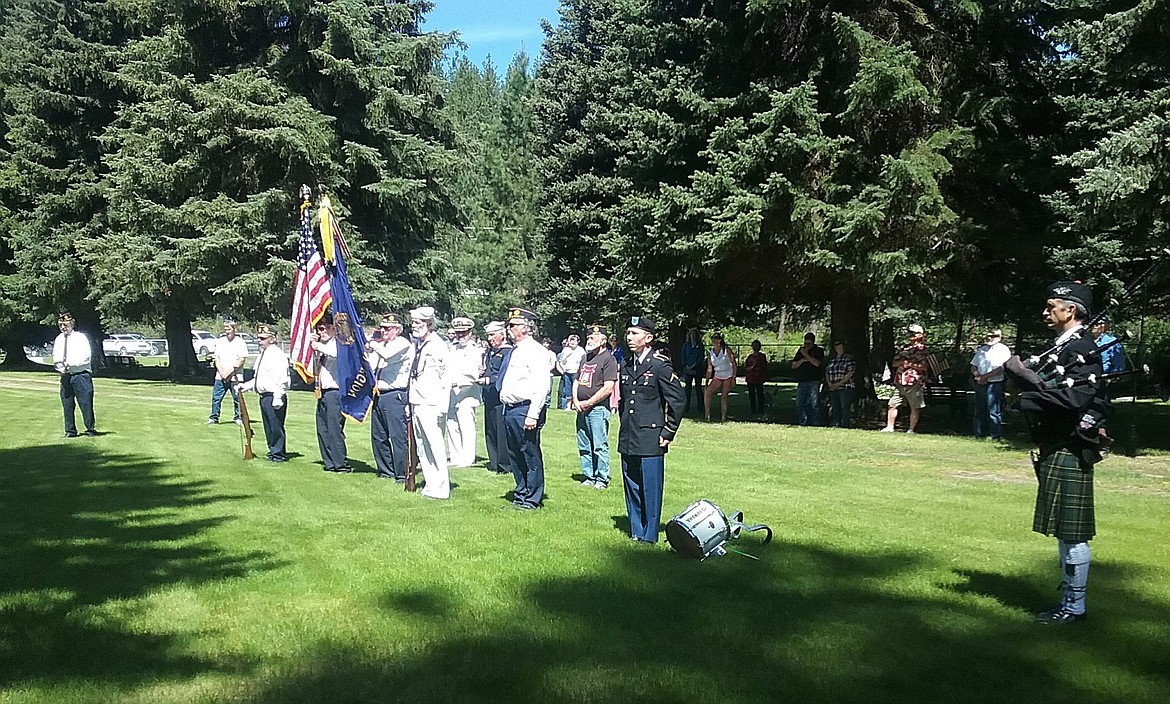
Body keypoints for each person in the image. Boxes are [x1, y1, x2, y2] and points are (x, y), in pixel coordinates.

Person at [1004, 281, 1107, 625]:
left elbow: (1078, 399)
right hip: (1055, 444)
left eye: (1051, 307)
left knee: (1072, 531)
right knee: (1065, 531)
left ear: (1070, 310)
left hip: (1070, 445)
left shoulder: (1082, 347)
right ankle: (1069, 599)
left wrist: (1027, 396)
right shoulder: (1062, 347)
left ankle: (1074, 607)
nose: (1045, 313)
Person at [619, 315, 686, 543]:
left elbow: (677, 400)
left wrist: (668, 431)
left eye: (634, 333)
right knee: (632, 484)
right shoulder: (626, 364)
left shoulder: (659, 365)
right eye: (628, 333)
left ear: (648, 338)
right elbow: (624, 401)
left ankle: (649, 535)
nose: (629, 337)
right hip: (629, 434)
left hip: (651, 435)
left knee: (650, 487)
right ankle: (636, 530)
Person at [499, 307, 551, 510]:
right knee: (514, 454)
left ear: (526, 328)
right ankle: (521, 493)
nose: (508, 329)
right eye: (509, 325)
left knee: (529, 453)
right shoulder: (516, 351)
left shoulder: (536, 351)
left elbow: (542, 386)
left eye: (513, 325)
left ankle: (532, 498)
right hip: (511, 408)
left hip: (525, 408)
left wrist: (532, 414)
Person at [408, 306, 450, 499]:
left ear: (429, 324)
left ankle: (441, 486)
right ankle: (431, 483)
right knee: (422, 446)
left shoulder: (438, 345)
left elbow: (446, 376)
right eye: (414, 322)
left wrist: (443, 405)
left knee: (435, 445)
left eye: (419, 323)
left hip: (432, 403)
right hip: (417, 400)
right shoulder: (418, 344)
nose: (415, 326)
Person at [367, 312, 413, 481]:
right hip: (379, 393)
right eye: (382, 327)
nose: (383, 331)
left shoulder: (402, 344)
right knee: (378, 435)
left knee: (397, 436)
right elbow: (371, 365)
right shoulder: (382, 345)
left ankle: (401, 473)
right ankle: (385, 470)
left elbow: (388, 356)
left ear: (397, 330)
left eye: (388, 328)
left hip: (395, 395)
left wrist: (372, 343)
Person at [573, 324, 619, 489]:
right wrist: (576, 401)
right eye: (589, 337)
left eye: (593, 337)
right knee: (584, 444)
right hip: (581, 409)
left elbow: (608, 387)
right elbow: (577, 381)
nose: (589, 340)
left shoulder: (609, 359)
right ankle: (589, 475)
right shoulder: (586, 358)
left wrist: (589, 402)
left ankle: (601, 479)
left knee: (599, 445)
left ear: (603, 340)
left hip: (598, 410)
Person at [238, 325, 290, 462]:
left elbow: (281, 378)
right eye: (258, 338)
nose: (259, 341)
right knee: (268, 427)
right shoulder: (263, 354)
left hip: (274, 395)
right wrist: (246, 386)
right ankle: (272, 451)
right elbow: (259, 378)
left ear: (272, 339)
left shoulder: (277, 355)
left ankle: (278, 454)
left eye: (263, 338)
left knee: (275, 426)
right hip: (264, 396)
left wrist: (278, 397)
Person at [310, 316, 351, 473]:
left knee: (335, 429)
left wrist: (317, 345)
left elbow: (336, 355)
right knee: (323, 429)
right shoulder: (322, 346)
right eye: (319, 329)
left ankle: (341, 464)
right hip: (323, 391)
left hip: (336, 391)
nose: (321, 332)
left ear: (333, 329)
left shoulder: (338, 344)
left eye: (324, 328)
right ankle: (329, 463)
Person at [51, 312, 97, 437]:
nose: (63, 327)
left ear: (71, 324)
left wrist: (70, 364)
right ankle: (70, 430)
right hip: (66, 376)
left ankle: (90, 429)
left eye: (65, 324)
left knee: (86, 403)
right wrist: (60, 366)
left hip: (80, 375)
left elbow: (86, 357)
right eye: (61, 325)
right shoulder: (59, 339)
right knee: (67, 404)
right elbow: (56, 355)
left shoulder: (80, 338)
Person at [446, 316, 482, 467]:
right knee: (451, 424)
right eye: (458, 333)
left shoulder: (476, 350)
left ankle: (467, 458)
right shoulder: (452, 348)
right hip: (451, 392)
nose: (461, 336)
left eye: (464, 333)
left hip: (467, 392)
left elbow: (474, 374)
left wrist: (456, 381)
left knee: (466, 426)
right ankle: (456, 457)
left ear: (470, 333)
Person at [477, 320, 512, 475]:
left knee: (501, 430)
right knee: (490, 429)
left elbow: (506, 374)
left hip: (500, 396)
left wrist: (489, 379)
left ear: (501, 335)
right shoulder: (490, 352)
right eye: (488, 335)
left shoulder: (508, 352)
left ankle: (504, 464)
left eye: (492, 335)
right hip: (489, 395)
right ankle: (494, 461)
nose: (490, 338)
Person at [882, 324, 928, 433]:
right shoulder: (904, 348)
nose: (910, 336)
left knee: (914, 406)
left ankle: (911, 429)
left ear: (920, 335)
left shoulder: (923, 350)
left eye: (913, 333)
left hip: (914, 382)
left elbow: (925, 367)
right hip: (899, 381)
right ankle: (889, 427)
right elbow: (894, 363)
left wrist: (910, 365)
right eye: (909, 333)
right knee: (892, 404)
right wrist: (902, 362)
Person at [970, 328, 1011, 441]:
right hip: (980, 383)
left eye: (993, 336)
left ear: (999, 337)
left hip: (995, 383)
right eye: (989, 336)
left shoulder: (1003, 350)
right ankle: (979, 434)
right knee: (979, 410)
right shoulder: (982, 349)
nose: (990, 338)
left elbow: (1001, 368)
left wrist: (985, 377)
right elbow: (973, 365)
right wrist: (977, 376)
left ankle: (995, 436)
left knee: (994, 411)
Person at [207, 320, 249, 425]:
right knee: (216, 398)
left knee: (237, 398)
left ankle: (238, 417)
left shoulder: (240, 342)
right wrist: (222, 372)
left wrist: (229, 373)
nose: (227, 331)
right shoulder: (220, 341)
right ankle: (214, 417)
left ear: (234, 329)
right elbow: (216, 358)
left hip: (235, 376)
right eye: (225, 329)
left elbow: (241, 359)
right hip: (220, 376)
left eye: (229, 329)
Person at [791, 332, 825, 426]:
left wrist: (807, 355)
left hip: (814, 380)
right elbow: (793, 365)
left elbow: (817, 363)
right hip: (802, 380)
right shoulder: (800, 351)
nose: (807, 346)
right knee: (800, 403)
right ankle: (803, 421)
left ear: (813, 342)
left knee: (814, 403)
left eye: (809, 344)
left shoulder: (818, 351)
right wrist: (802, 360)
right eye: (805, 343)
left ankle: (815, 422)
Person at [703, 332, 736, 422]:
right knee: (707, 393)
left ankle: (723, 417)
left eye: (716, 339)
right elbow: (709, 369)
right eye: (713, 339)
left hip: (728, 374)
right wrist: (706, 382)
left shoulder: (726, 350)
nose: (714, 341)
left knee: (724, 396)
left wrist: (733, 377)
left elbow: (733, 363)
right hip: (718, 375)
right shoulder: (711, 353)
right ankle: (707, 414)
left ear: (720, 340)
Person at [824, 339, 856, 428]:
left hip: (845, 387)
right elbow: (827, 372)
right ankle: (836, 423)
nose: (838, 347)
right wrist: (829, 383)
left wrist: (839, 384)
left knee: (844, 407)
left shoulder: (848, 358)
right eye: (836, 346)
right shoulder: (832, 359)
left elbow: (850, 373)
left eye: (840, 345)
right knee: (835, 407)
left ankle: (845, 424)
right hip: (832, 387)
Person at [556, 334, 586, 411]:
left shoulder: (581, 350)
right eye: (571, 341)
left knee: (577, 389)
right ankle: (568, 407)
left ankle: (577, 406)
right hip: (567, 372)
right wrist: (564, 369)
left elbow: (584, 362)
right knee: (567, 390)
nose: (572, 343)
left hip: (576, 372)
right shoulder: (565, 350)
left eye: (574, 341)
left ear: (578, 342)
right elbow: (561, 361)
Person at [680, 327, 705, 415]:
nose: (692, 336)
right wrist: (686, 366)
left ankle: (701, 407)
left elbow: (701, 357)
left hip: (697, 370)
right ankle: (686, 408)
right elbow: (683, 357)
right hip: (687, 369)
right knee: (687, 389)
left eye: (694, 335)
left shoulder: (700, 345)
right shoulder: (685, 346)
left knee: (698, 388)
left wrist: (694, 366)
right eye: (691, 334)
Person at [743, 340, 769, 415]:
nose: (755, 347)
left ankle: (761, 409)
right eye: (754, 345)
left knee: (760, 394)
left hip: (759, 378)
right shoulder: (750, 357)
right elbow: (746, 367)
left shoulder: (762, 356)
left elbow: (764, 367)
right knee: (751, 395)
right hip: (750, 378)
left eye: (757, 345)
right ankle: (753, 409)